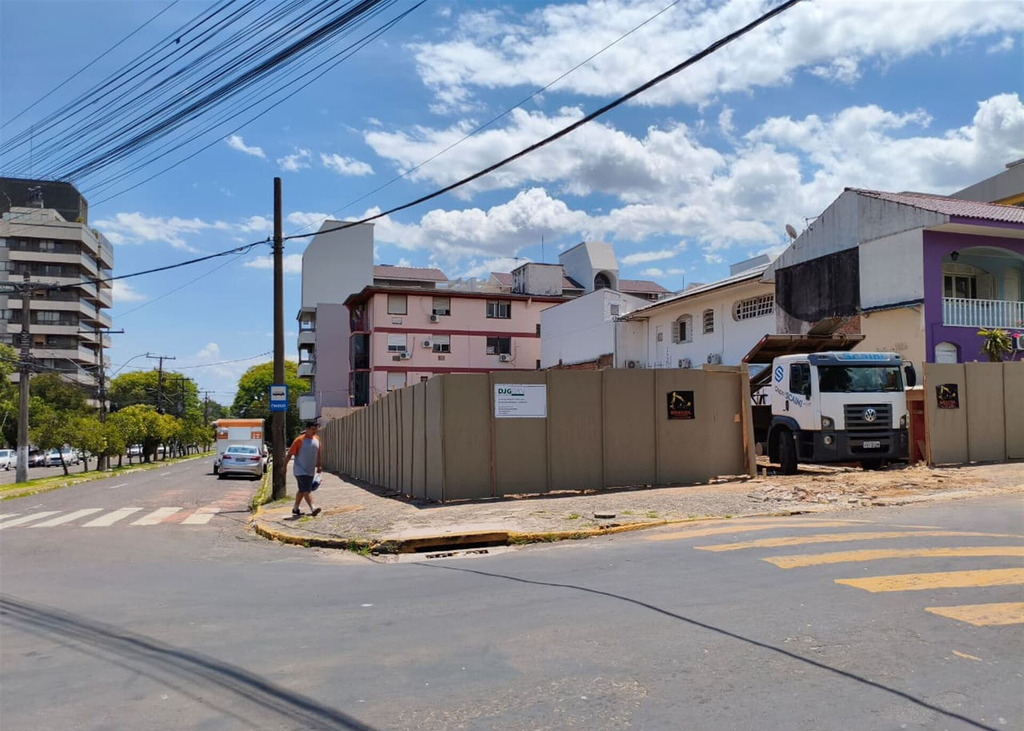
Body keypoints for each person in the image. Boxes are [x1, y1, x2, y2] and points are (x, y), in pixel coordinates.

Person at [283, 420, 323, 517]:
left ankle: (295, 508)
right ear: (307, 429)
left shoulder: (317, 439)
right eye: (312, 429)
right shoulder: (299, 440)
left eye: (315, 429)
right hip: (300, 470)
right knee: (306, 490)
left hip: (310, 470)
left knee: (302, 490)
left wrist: (319, 465)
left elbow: (318, 454)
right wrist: (284, 467)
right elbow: (289, 455)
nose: (314, 431)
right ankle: (313, 508)